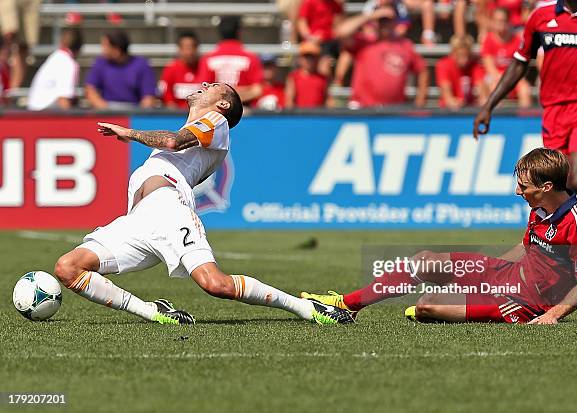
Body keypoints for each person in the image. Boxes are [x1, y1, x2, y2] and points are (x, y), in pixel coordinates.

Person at [53, 82, 354, 326]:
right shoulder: (202, 130)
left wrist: (129, 133)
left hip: (169, 211)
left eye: (213, 86)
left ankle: (306, 308)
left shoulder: (216, 120)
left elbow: (172, 142)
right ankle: (152, 311)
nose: (205, 84)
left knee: (216, 285)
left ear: (222, 104)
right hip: (137, 220)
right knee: (68, 268)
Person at [302, 148, 577, 324]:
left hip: (529, 303)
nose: (517, 192)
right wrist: (486, 271)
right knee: (425, 262)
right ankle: (347, 305)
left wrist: (552, 316)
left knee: (427, 304)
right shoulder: (540, 207)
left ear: (547, 187)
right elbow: (527, 248)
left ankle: (452, 308)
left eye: (524, 187)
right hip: (507, 275)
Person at [474, 0, 577, 253]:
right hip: (554, 114)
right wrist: (489, 105)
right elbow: (519, 62)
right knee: (559, 185)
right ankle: (559, 252)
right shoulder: (541, 14)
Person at [336, 6, 428, 108]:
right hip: (362, 107)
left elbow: (422, 70)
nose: (385, 25)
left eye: (388, 21)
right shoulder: (365, 42)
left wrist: (420, 101)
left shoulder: (405, 45)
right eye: (381, 21)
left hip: (393, 110)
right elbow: (342, 32)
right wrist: (372, 15)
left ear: (395, 23)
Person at [197, 16, 264, 105]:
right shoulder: (251, 58)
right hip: (243, 109)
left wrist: (223, 97)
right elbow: (257, 91)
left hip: (216, 111)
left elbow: (203, 90)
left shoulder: (208, 59)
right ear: (239, 31)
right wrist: (237, 94)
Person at [85, 30, 157, 109]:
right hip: (107, 111)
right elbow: (90, 89)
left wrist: (139, 115)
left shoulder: (142, 65)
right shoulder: (101, 63)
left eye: (106, 46)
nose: (103, 50)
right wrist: (103, 108)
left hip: (134, 111)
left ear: (117, 50)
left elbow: (148, 98)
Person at [480, 8, 531, 108]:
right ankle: (496, 119)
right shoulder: (488, 40)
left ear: (508, 22)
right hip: (494, 77)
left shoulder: (516, 40)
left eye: (502, 20)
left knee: (524, 88)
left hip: (512, 76)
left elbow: (520, 65)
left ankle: (523, 120)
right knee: (494, 88)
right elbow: (490, 68)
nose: (500, 23)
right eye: (497, 20)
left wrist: (511, 79)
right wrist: (503, 80)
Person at [27, 28, 83, 111]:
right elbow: (63, 100)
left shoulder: (55, 58)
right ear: (79, 48)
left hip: (34, 112)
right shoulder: (68, 63)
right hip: (45, 115)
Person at [435, 34, 486, 110]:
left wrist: (484, 100)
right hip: (447, 111)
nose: (464, 60)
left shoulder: (475, 65)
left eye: (466, 55)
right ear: (453, 53)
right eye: (460, 55)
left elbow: (481, 87)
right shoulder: (443, 65)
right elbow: (447, 96)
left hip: (469, 110)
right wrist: (456, 102)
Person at [296, 0, 345, 78]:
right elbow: (302, 23)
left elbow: (339, 26)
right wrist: (310, 38)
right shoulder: (309, 2)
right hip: (313, 41)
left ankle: (337, 81)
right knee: (323, 62)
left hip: (330, 41)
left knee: (345, 53)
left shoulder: (335, 4)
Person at [159, 31, 201, 109]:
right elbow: (166, 94)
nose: (189, 52)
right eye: (186, 48)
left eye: (192, 47)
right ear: (179, 49)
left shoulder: (204, 67)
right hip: (177, 116)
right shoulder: (171, 69)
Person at [285, 42, 328, 109]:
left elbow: (327, 100)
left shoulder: (323, 78)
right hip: (300, 117)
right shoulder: (294, 77)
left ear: (317, 59)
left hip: (318, 117)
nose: (309, 60)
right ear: (300, 59)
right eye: (306, 57)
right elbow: (289, 101)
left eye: (312, 57)